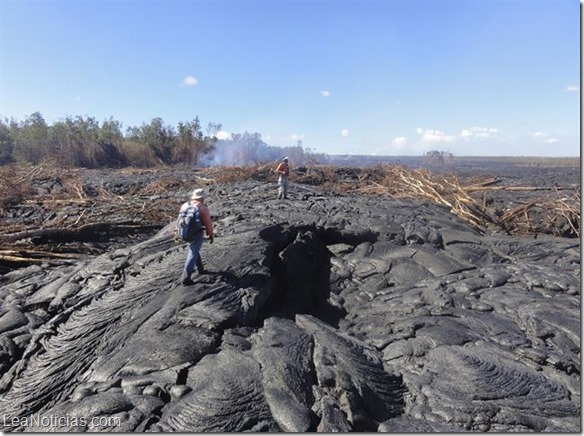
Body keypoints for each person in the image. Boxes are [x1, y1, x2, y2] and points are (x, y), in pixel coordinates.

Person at [175, 188, 214, 286]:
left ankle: (200, 268)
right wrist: (210, 234)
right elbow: (208, 223)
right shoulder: (202, 208)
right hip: (196, 233)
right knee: (192, 253)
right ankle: (185, 278)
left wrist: (176, 232)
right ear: (201, 198)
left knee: (194, 249)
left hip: (184, 233)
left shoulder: (185, 205)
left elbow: (179, 219)